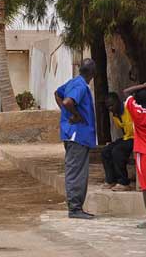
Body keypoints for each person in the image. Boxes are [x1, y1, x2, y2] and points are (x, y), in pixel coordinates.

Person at [54, 58, 97, 220]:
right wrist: (75, 115)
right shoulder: (80, 86)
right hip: (77, 135)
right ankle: (75, 208)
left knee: (78, 170)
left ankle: (76, 207)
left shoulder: (73, 82)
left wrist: (66, 115)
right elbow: (67, 101)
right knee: (76, 171)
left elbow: (57, 94)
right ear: (92, 74)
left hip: (74, 133)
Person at [123, 83, 146, 228]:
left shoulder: (136, 111)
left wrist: (143, 85)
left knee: (145, 187)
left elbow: (126, 92)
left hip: (143, 153)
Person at [101, 92, 133, 191]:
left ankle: (123, 182)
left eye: (112, 104)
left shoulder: (128, 108)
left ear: (118, 102)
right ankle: (111, 180)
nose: (110, 108)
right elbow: (124, 130)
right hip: (127, 137)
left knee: (117, 151)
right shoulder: (115, 115)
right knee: (106, 150)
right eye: (108, 106)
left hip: (137, 137)